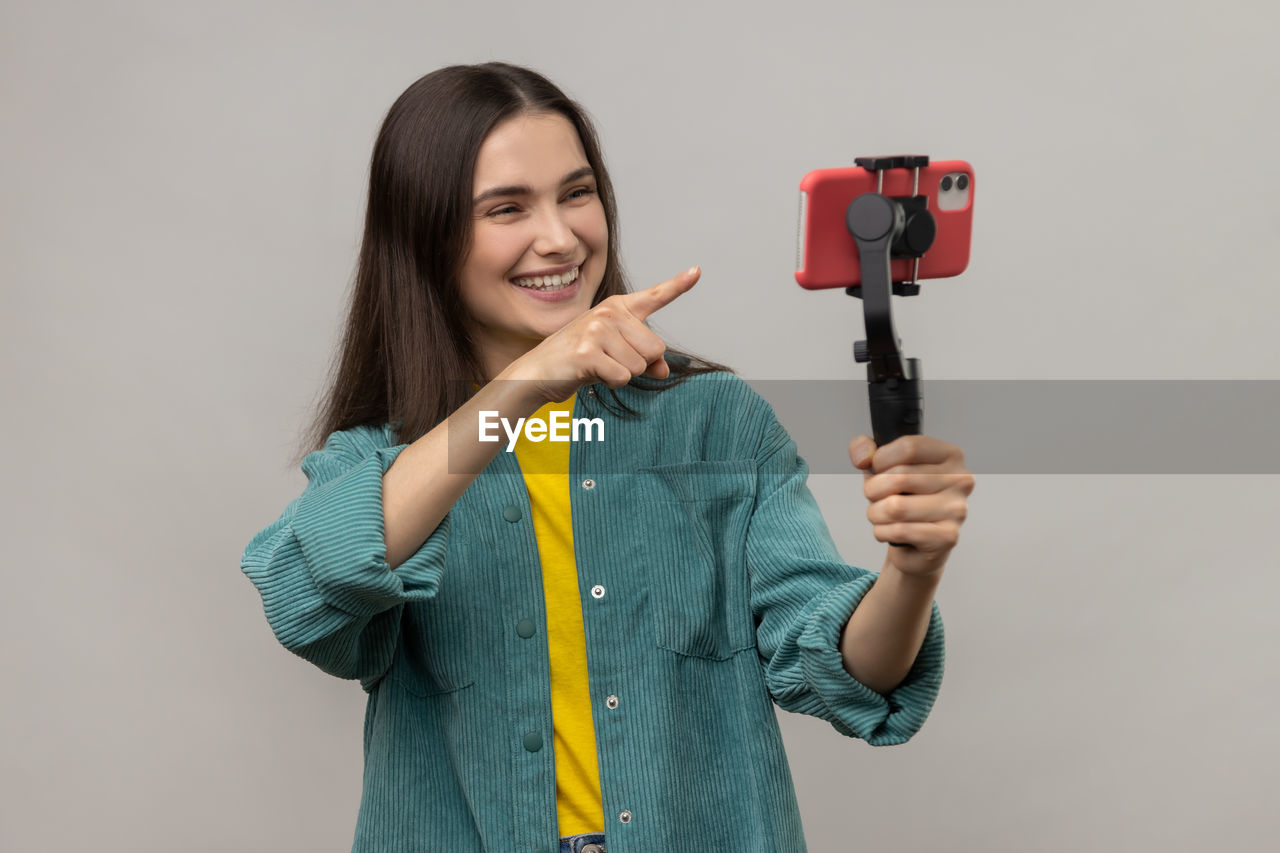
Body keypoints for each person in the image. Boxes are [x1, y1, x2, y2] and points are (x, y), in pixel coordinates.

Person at [241, 61, 974, 853]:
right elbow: (305, 594)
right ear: (428, 235)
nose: (559, 237)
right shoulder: (384, 463)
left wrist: (912, 569)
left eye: (577, 193)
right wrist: (527, 380)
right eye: (507, 208)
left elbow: (847, 674)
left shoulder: (715, 424)